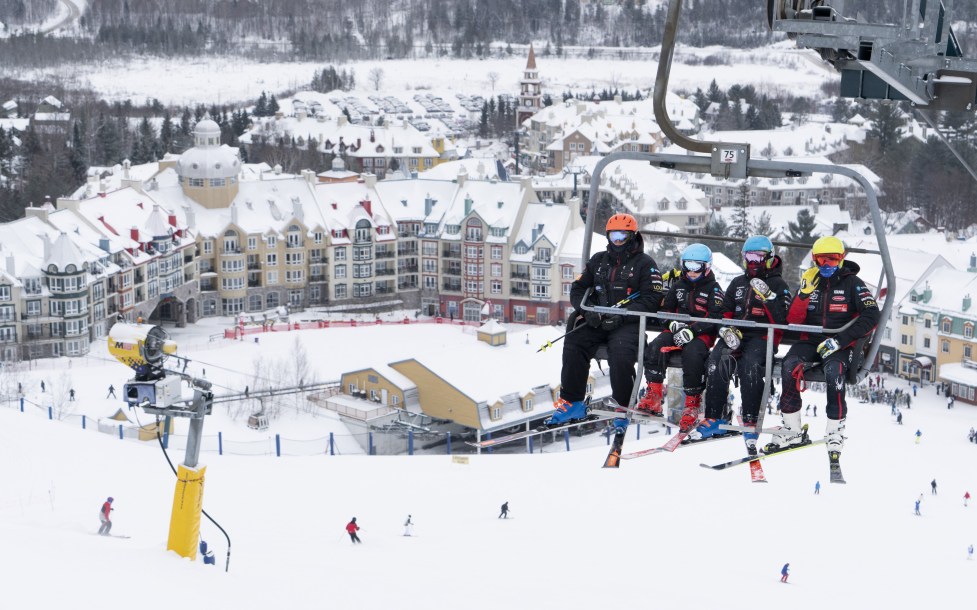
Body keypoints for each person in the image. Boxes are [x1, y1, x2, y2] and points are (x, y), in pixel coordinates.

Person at [766, 237, 881, 469]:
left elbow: (872, 316)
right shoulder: (811, 280)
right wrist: (803, 295)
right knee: (789, 365)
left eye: (833, 259)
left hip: (838, 344)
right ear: (814, 260)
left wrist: (840, 341)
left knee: (834, 371)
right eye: (821, 259)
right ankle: (792, 427)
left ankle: (835, 429)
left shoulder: (853, 284)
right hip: (810, 341)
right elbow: (793, 320)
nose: (826, 265)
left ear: (842, 259)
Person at [548, 213, 665, 433]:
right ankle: (572, 402)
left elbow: (652, 299)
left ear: (632, 236)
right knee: (574, 342)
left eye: (623, 235)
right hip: (599, 320)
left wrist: (624, 315)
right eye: (613, 235)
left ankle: (622, 405)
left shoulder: (645, 264)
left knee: (621, 353)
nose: (618, 240)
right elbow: (579, 288)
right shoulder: (599, 261)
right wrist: (586, 310)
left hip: (628, 323)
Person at [696, 235, 791, 454]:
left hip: (763, 336)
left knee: (750, 365)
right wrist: (725, 329)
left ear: (769, 258)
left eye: (758, 257)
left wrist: (768, 297)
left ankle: (750, 418)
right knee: (715, 360)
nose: (753, 262)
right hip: (736, 334)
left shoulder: (778, 284)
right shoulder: (738, 283)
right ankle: (715, 416)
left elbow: (782, 320)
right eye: (749, 257)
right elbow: (723, 313)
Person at [635, 243, 725, 433]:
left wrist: (693, 330)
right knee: (655, 346)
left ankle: (692, 404)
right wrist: (672, 324)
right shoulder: (678, 286)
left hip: (701, 334)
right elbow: (666, 310)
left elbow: (715, 317)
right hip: (676, 331)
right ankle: (654, 395)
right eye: (688, 266)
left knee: (693, 355)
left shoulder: (714, 289)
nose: (691, 272)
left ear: (706, 267)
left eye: (696, 267)